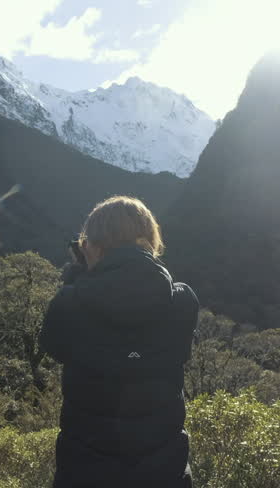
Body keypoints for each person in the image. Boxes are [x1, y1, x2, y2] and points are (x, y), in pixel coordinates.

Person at [39, 195, 199, 488]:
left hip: (84, 473)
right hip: (165, 474)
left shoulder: (68, 304)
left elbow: (53, 345)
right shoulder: (183, 303)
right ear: (150, 240)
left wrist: (78, 277)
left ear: (93, 246)